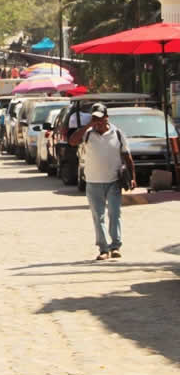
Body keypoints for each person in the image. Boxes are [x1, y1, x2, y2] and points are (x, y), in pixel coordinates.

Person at [69, 103, 136, 260]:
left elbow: (127, 156)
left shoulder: (117, 133)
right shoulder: (87, 134)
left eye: (100, 118)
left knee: (114, 213)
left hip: (114, 181)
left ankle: (115, 246)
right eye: (94, 119)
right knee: (98, 216)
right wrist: (88, 126)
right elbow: (72, 141)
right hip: (93, 182)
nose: (97, 122)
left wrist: (133, 177)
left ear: (107, 117)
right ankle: (103, 249)